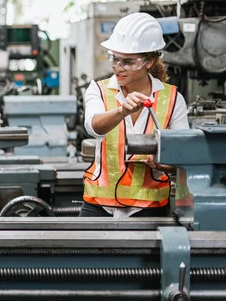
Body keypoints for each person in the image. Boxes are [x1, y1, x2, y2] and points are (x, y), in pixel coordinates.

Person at [81, 12, 189, 217]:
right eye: (114, 59)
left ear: (149, 61)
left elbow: (182, 157)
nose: (117, 68)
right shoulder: (99, 89)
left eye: (128, 62)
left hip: (149, 210)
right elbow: (93, 127)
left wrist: (162, 164)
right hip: (99, 206)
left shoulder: (173, 99)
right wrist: (122, 110)